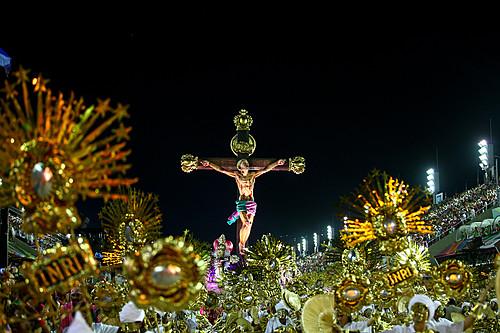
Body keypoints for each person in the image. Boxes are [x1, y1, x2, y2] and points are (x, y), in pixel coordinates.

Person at [201, 158, 286, 254]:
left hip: (251, 202)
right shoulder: (237, 176)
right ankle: (241, 244)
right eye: (240, 169)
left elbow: (266, 169)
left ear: (247, 167)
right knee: (245, 222)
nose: (241, 171)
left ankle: (243, 243)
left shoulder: (253, 175)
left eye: (243, 168)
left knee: (249, 225)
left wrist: (277, 163)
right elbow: (222, 169)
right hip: (242, 203)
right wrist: (210, 164)